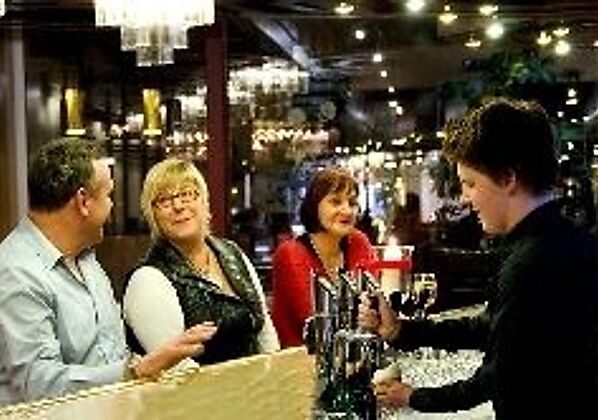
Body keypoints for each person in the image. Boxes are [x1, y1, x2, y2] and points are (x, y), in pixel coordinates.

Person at [359, 98, 598, 418]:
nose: (465, 198)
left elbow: (499, 378)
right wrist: (402, 331)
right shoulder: (562, 241)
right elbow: (491, 329)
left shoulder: (533, 262)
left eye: (470, 184)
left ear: (508, 178)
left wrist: (414, 397)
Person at [0, 139, 217, 405]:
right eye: (108, 195)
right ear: (83, 201)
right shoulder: (16, 272)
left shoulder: (85, 257)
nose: (112, 206)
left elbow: (113, 353)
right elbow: (38, 384)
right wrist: (136, 371)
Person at [123, 158, 279, 366]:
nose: (178, 206)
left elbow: (264, 331)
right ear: (153, 215)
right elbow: (177, 369)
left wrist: (274, 376)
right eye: (164, 200)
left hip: (257, 382)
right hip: (197, 387)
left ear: (204, 200)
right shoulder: (147, 280)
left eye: (187, 194)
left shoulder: (232, 253)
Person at [271, 167, 375, 348]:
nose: (347, 210)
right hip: (301, 358)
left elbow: (375, 305)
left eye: (352, 203)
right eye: (335, 202)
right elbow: (317, 322)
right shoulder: (290, 253)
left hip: (352, 354)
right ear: (314, 206)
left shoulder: (358, 242)